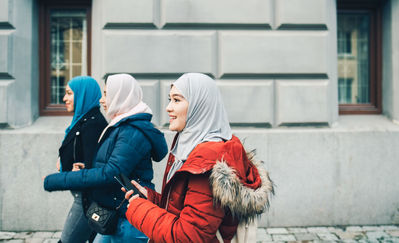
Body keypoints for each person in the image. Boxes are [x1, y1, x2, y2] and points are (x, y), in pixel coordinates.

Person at [124, 73, 274, 243]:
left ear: (199, 106)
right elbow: (184, 210)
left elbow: (188, 237)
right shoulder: (191, 149)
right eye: (170, 99)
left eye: (177, 100)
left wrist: (139, 209)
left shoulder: (206, 163)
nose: (168, 107)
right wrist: (151, 199)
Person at [44, 73, 168, 243]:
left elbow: (111, 173)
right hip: (115, 211)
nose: (101, 100)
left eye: (106, 94)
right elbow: (110, 165)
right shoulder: (120, 126)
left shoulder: (132, 131)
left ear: (121, 95)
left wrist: (59, 180)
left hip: (129, 215)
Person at [56, 76, 108, 243]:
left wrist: (80, 170)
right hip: (84, 196)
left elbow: (94, 166)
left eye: (69, 93)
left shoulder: (92, 125)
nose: (64, 98)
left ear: (83, 94)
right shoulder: (82, 121)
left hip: (86, 199)